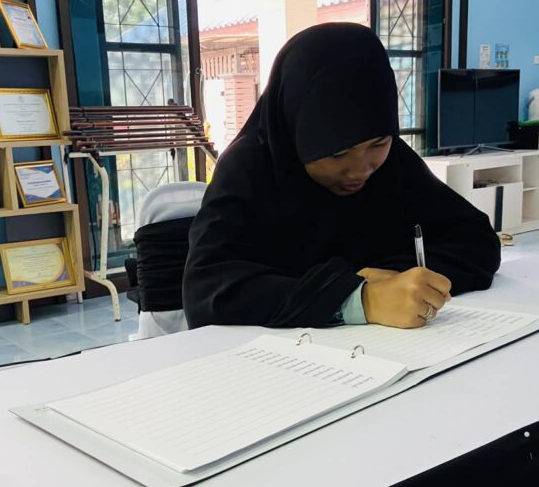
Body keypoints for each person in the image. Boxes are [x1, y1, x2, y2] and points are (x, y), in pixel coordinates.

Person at [183, 23, 501, 330]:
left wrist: (392, 278)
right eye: (337, 153)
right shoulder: (248, 167)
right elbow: (206, 292)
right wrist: (357, 298)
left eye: (378, 144)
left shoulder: (394, 162)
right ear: (296, 133)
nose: (360, 169)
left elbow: (478, 240)